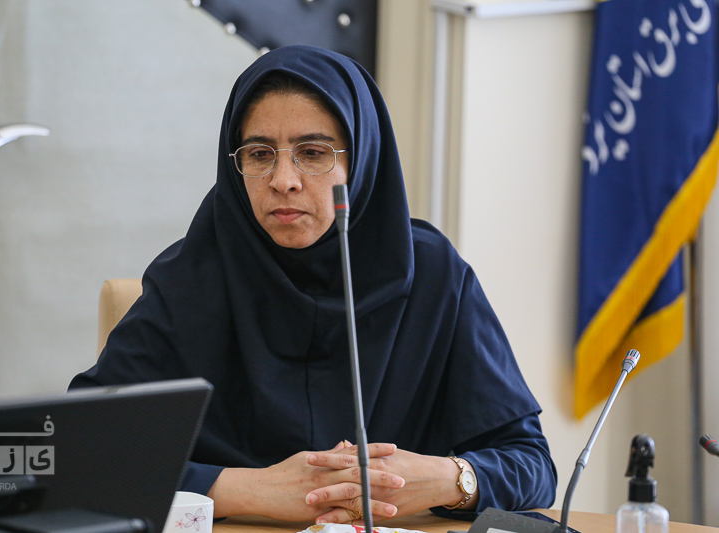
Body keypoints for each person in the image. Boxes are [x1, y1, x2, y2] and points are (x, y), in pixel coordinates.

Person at [70, 45, 556, 524]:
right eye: (260, 154)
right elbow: (74, 449)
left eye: (313, 152)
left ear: (361, 159)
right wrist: (249, 489)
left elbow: (532, 463)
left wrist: (450, 479)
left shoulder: (433, 273)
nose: (283, 180)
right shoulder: (190, 277)